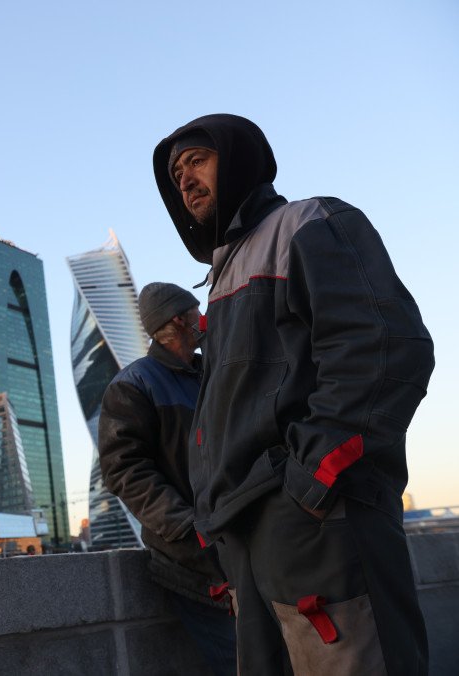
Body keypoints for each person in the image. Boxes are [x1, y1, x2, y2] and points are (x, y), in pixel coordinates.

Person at [153, 114, 434, 674]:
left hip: (319, 526)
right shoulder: (224, 274)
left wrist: (311, 482)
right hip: (250, 541)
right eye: (176, 173)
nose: (184, 180)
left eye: (196, 161)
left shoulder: (308, 223)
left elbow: (384, 347)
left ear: (238, 159)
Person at [99, 281, 236, 675]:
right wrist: (192, 529)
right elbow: (125, 471)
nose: (204, 318)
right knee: (239, 663)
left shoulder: (210, 373)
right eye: (196, 311)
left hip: (239, 552)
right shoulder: (132, 385)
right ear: (180, 319)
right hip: (194, 565)